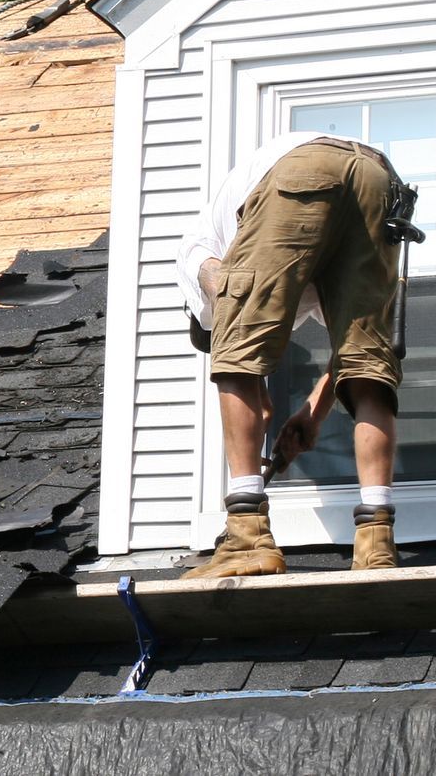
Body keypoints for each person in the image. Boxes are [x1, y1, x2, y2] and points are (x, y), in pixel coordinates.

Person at [176, 132, 415, 578]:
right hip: (377, 178)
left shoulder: (193, 253)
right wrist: (313, 412)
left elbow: (234, 320)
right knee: (370, 367)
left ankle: (247, 536)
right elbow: (350, 357)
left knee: (236, 351)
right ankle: (376, 543)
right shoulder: (296, 264)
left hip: (303, 170)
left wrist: (253, 384)